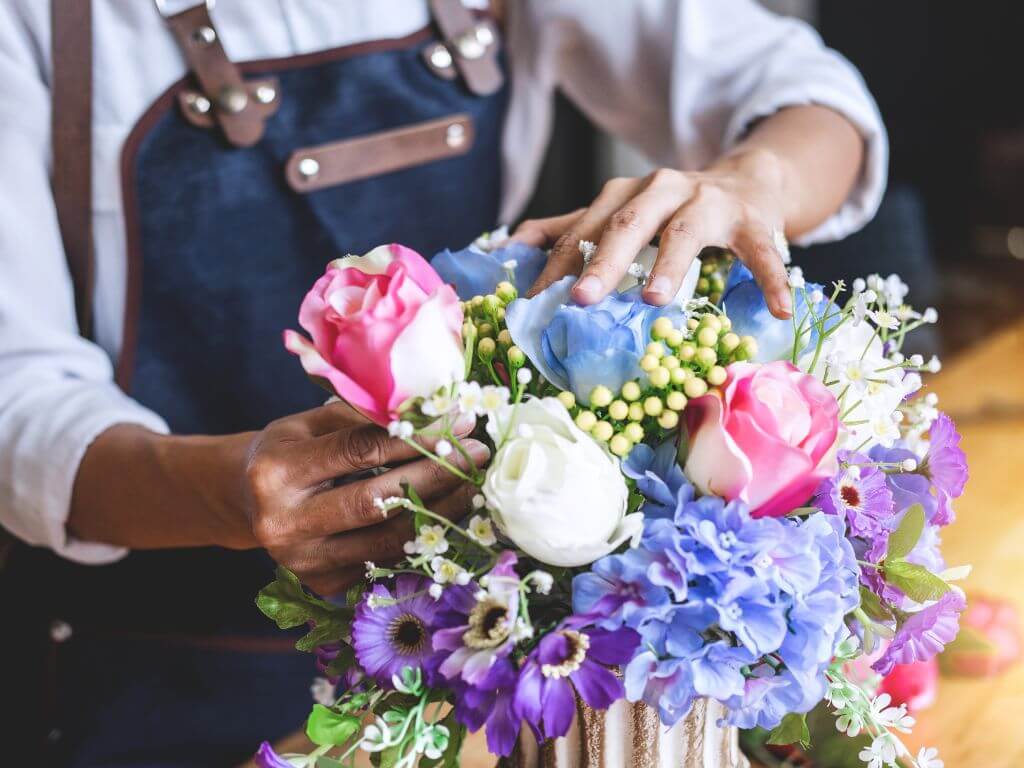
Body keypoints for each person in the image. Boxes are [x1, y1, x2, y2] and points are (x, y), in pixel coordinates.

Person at [0, 0, 886, 765]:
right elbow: (18, 399)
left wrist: (744, 182)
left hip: (472, 676)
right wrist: (233, 494)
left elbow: (813, 99)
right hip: (153, 671)